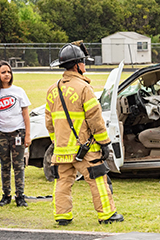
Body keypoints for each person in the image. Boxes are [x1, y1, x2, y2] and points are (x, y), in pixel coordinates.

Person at [46, 42, 124, 225]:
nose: (85, 66)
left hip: (61, 150)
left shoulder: (52, 90)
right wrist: (104, 143)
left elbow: (49, 124)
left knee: (62, 181)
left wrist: (58, 144)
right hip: (85, 149)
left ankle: (62, 216)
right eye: (83, 62)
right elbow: (95, 120)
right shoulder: (84, 89)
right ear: (77, 65)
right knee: (97, 179)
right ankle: (107, 215)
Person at [0, 60, 31, 207]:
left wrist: (27, 135)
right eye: (3, 72)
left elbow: (26, 114)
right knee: (5, 165)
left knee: (18, 165)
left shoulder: (19, 91)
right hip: (1, 133)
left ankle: (20, 195)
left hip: (17, 133)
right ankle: (6, 195)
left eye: (9, 72)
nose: (7, 75)